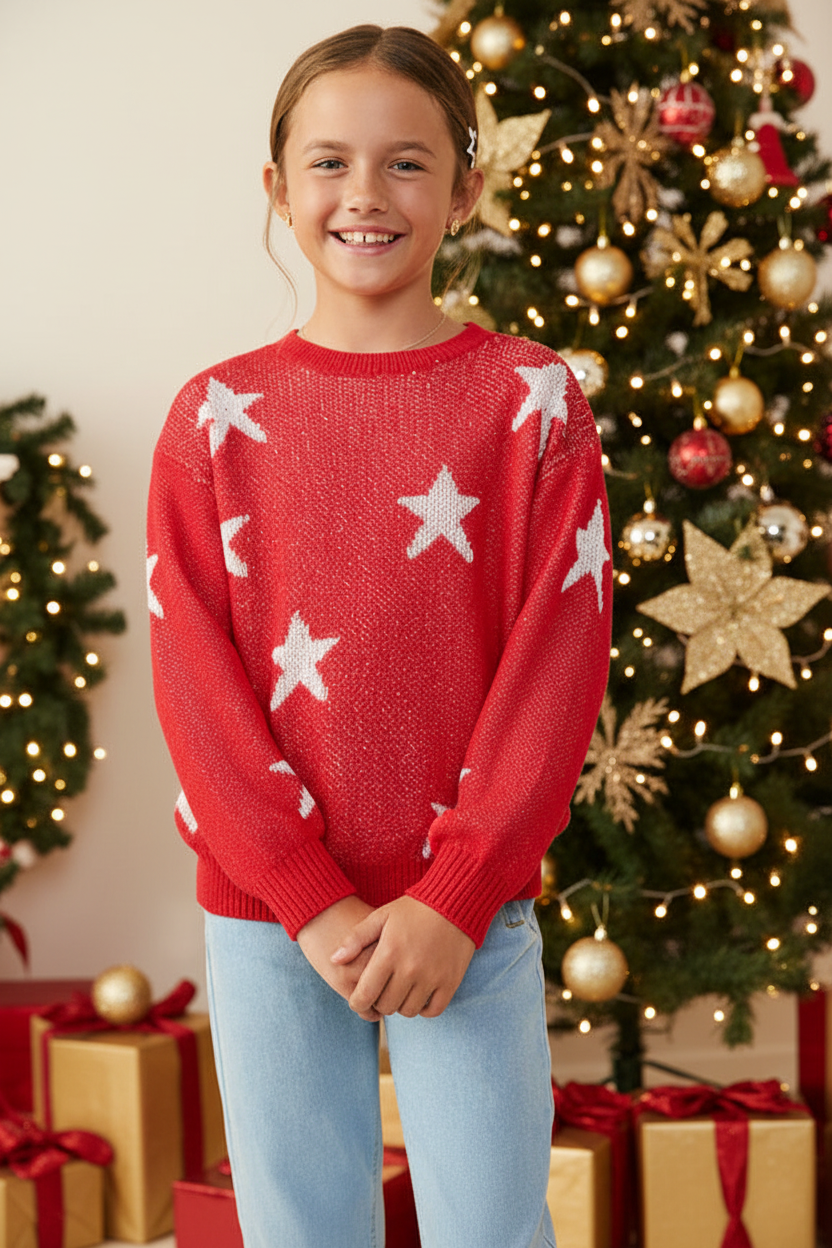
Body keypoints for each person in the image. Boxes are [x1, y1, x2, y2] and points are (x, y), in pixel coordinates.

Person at [148, 23, 612, 1248]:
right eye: (330, 163)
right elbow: (194, 681)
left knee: (492, 1226)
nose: (365, 196)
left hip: (468, 912)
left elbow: (557, 663)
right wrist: (304, 897)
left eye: (407, 164)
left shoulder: (532, 403)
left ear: (466, 186)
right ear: (276, 188)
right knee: (302, 1229)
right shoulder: (212, 419)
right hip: (269, 917)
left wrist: (457, 893)